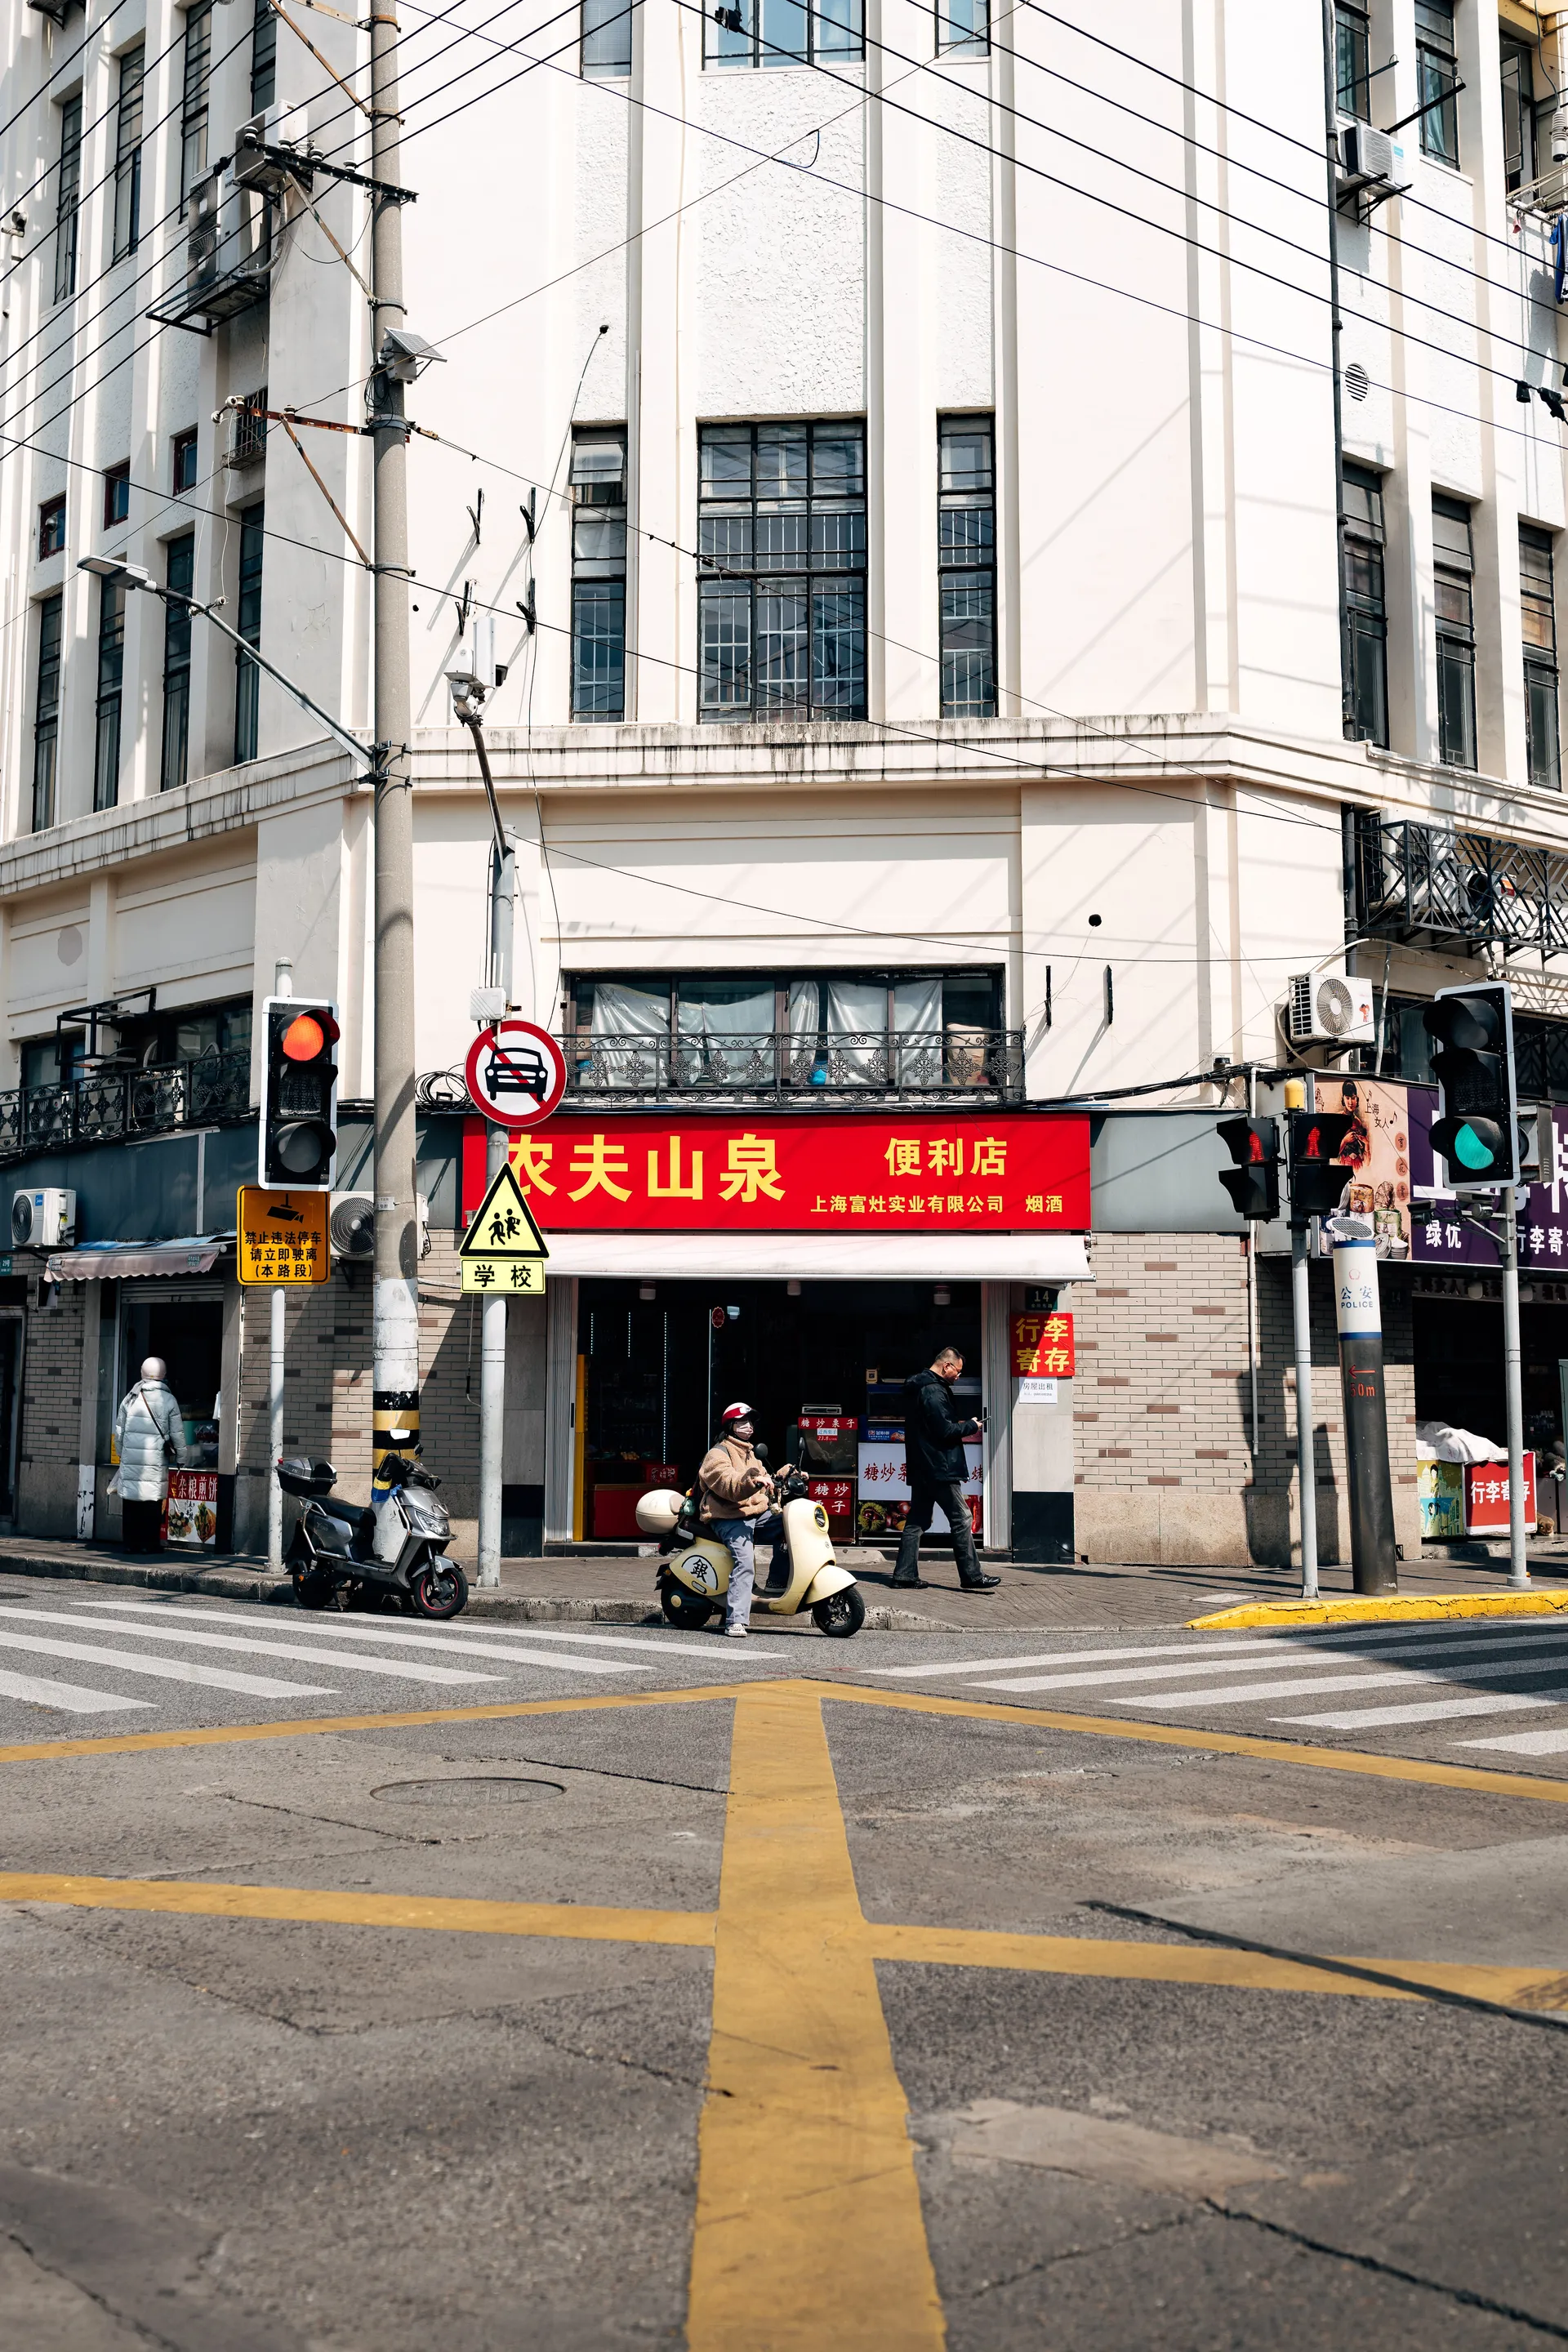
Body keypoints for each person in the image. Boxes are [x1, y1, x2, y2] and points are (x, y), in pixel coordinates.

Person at [892, 1343, 1000, 1592]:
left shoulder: (922, 1387)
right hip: (939, 1467)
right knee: (962, 1518)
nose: (959, 1376)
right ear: (946, 1366)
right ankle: (972, 1575)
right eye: (958, 1371)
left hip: (923, 1467)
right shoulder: (933, 1391)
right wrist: (971, 1426)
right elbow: (945, 1431)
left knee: (917, 1520)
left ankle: (905, 1575)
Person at [698, 1401, 786, 1638]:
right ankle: (735, 1621)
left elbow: (766, 1479)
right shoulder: (717, 1454)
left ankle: (776, 1582)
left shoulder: (751, 1453)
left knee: (789, 1525)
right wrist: (753, 1481)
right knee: (745, 1561)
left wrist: (783, 1475)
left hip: (754, 1513)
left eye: (750, 1422)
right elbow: (729, 1485)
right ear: (730, 1426)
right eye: (742, 1422)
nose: (748, 1427)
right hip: (728, 1516)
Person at [113, 1356, 187, 1552]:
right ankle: (150, 1544)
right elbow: (178, 1434)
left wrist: (122, 1455)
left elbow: (119, 1431)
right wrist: (181, 1458)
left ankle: (130, 1545)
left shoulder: (130, 1398)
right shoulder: (169, 1400)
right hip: (154, 1462)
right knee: (152, 1504)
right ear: (163, 1375)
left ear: (142, 1373)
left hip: (131, 1461)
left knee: (131, 1504)